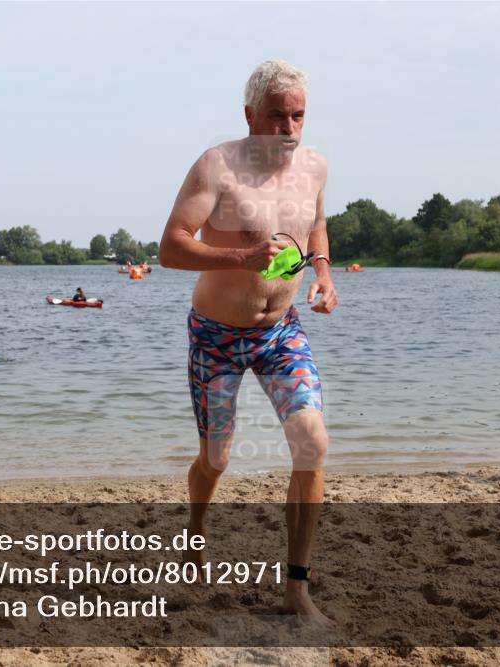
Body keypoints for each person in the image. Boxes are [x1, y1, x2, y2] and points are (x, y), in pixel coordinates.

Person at [158, 60, 337, 624]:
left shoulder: (314, 168)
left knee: (312, 444)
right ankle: (195, 528)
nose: (290, 129)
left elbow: (315, 227)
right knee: (217, 457)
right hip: (215, 336)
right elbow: (170, 247)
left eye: (299, 116)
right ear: (250, 115)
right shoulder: (217, 167)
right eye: (278, 117)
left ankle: (296, 589)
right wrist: (239, 256)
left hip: (280, 332)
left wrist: (325, 274)